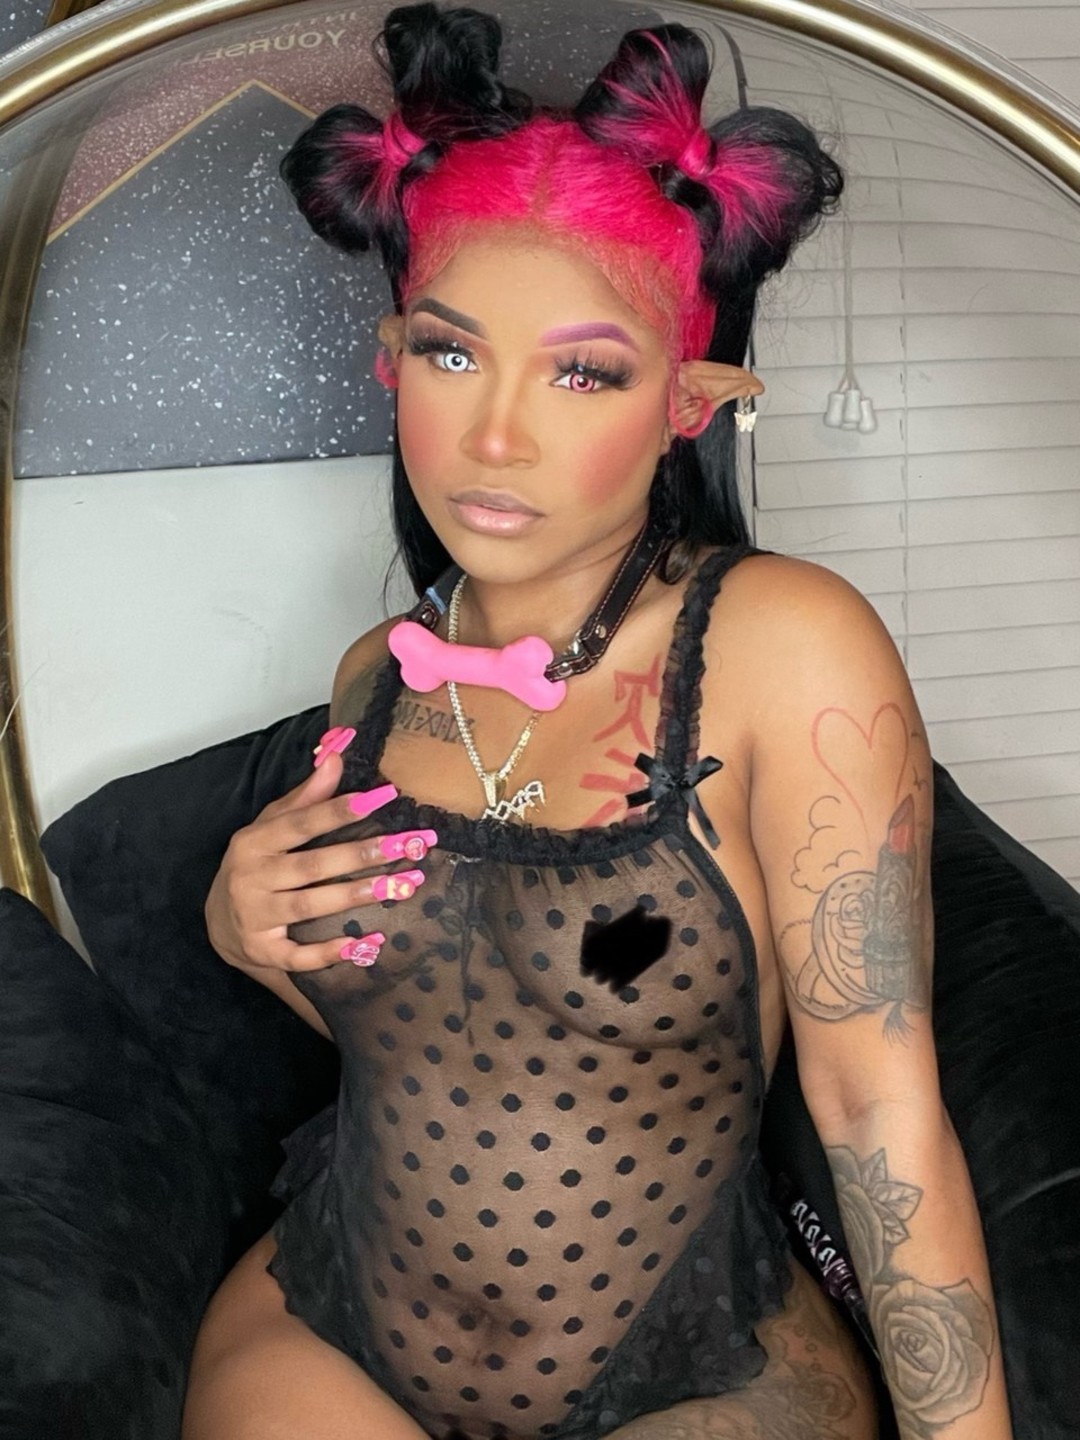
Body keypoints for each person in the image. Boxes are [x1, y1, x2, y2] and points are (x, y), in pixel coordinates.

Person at [184, 6, 1013, 1438]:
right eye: (451, 355)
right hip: (333, 1320)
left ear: (690, 400)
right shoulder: (378, 676)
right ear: (391, 358)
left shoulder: (781, 648)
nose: (496, 435)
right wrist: (243, 934)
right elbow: (435, 1034)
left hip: (686, 1364)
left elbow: (878, 1112)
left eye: (583, 372)